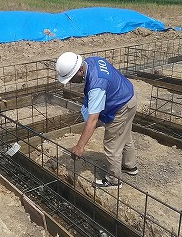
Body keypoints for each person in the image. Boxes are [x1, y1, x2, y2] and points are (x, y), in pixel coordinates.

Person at [55, 52, 138, 188]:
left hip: (121, 105)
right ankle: (130, 166)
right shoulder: (91, 61)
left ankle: (113, 180)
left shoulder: (96, 86)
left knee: (112, 144)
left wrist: (80, 146)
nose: (70, 82)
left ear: (80, 70)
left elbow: (93, 120)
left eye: (71, 78)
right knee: (123, 134)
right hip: (127, 95)